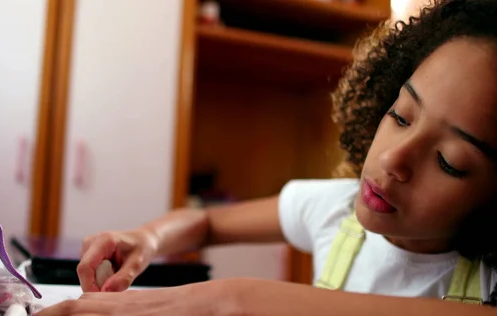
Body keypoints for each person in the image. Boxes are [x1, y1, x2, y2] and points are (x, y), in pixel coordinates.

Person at [37, 0, 497, 314]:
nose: (395, 157)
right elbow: (207, 223)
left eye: (450, 161)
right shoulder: (336, 210)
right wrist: (148, 238)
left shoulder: (488, 285)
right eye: (400, 115)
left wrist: (233, 300)